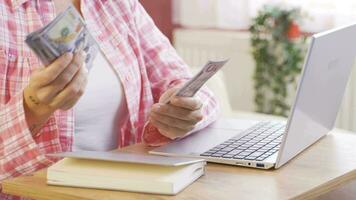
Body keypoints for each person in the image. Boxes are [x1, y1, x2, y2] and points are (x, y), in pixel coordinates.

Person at [0, 0, 219, 199]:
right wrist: (33, 108)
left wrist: (188, 110)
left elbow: (186, 82)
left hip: (127, 191)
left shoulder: (118, 5)